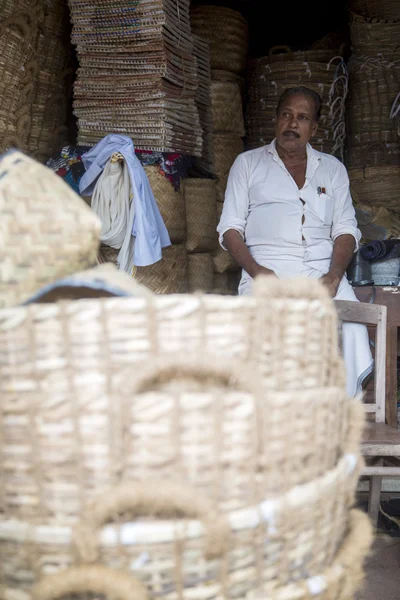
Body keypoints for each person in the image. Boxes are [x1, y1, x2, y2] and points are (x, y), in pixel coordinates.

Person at [217, 86, 373, 397]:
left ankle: (337, 407)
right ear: (275, 120)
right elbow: (230, 230)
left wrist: (334, 276)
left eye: (302, 118)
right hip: (267, 270)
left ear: (313, 128)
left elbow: (345, 230)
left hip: (322, 271)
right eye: (286, 115)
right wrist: (258, 273)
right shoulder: (247, 164)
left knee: (353, 321)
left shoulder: (332, 169)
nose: (292, 124)